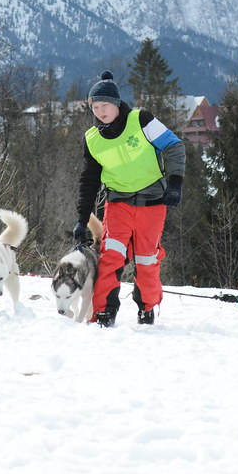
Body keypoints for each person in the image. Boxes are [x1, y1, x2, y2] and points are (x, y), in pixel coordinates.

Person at [73, 71, 186, 327]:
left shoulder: (141, 119)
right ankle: (103, 311)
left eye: (105, 105)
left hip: (152, 203)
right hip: (118, 204)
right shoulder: (92, 140)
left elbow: (174, 145)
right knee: (111, 256)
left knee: (147, 259)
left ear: (116, 103)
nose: (101, 112)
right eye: (95, 107)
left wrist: (175, 182)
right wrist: (82, 220)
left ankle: (146, 309)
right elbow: (88, 180)